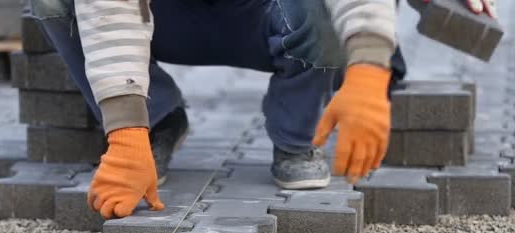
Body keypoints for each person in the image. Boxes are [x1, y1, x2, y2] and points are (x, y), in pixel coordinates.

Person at [29, 0, 497, 219]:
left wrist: (370, 68)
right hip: (170, 17)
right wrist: (127, 128)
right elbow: (106, 7)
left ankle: (296, 138)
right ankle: (159, 121)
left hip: (275, 16)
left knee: (325, 11)